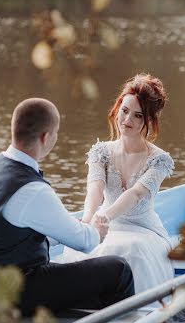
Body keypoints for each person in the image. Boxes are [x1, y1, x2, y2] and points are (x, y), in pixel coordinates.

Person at [0, 98, 134, 317]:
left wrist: (71, 229)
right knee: (118, 271)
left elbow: (7, 234)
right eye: (56, 133)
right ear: (46, 137)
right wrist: (96, 232)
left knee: (80, 282)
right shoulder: (31, 189)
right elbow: (84, 242)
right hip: (15, 293)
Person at [59, 73, 175, 294]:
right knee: (81, 246)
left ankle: (133, 313)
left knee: (131, 249)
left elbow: (135, 194)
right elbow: (95, 189)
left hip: (143, 229)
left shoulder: (159, 160)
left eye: (137, 116)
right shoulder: (101, 152)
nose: (127, 120)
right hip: (105, 222)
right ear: (118, 108)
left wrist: (106, 216)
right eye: (125, 111)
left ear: (149, 120)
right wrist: (87, 219)